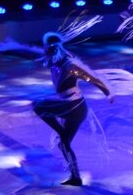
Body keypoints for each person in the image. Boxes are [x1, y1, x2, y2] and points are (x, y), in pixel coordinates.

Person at [34, 25, 114, 186]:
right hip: (74, 107)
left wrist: (108, 92)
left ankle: (61, 132)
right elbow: (29, 53)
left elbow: (92, 79)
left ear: (52, 48)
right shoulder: (55, 61)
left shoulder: (69, 64)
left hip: (74, 107)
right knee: (63, 144)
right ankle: (75, 177)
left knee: (38, 106)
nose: (45, 51)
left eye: (46, 47)